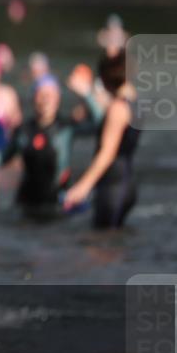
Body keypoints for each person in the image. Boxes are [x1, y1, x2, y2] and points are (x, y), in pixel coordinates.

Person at [0, 74, 96, 219]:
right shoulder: (23, 131)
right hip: (27, 203)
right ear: (34, 98)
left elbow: (100, 124)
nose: (46, 99)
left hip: (58, 203)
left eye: (50, 94)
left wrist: (86, 94)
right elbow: (2, 157)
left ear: (58, 98)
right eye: (41, 94)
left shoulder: (67, 128)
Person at [64, 52, 141, 228]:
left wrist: (83, 187)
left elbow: (107, 153)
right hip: (127, 183)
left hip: (112, 187)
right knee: (114, 245)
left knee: (100, 248)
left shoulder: (117, 109)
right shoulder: (135, 104)